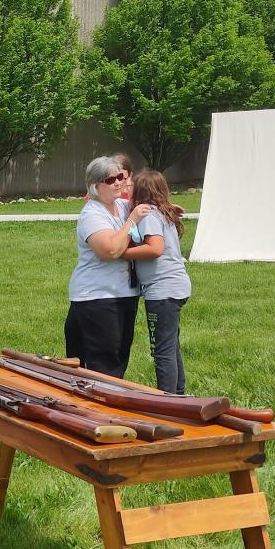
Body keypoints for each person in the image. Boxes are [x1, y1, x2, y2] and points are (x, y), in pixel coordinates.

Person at [64, 156, 152, 376]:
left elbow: (150, 207)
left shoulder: (122, 206)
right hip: (96, 298)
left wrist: (167, 209)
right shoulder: (92, 215)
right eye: (111, 179)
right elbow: (109, 251)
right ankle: (98, 408)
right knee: (103, 365)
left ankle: (109, 404)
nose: (118, 182)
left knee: (119, 359)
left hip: (124, 295)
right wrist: (131, 221)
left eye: (120, 177)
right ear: (95, 187)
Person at [121, 169, 191, 394]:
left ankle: (168, 401)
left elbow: (155, 248)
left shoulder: (149, 216)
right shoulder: (163, 213)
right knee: (171, 346)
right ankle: (178, 395)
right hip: (176, 287)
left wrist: (121, 252)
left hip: (162, 291)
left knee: (161, 350)